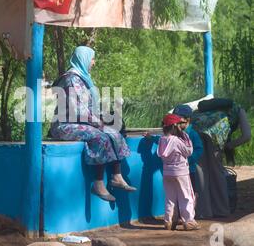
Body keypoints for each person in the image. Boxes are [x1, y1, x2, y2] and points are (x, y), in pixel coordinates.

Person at [49, 46, 136, 202]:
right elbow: (77, 110)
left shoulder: (83, 78)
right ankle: (98, 183)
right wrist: (98, 123)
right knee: (100, 137)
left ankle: (117, 176)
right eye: (92, 58)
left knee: (114, 133)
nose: (93, 62)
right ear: (83, 58)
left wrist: (101, 120)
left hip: (81, 122)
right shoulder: (71, 79)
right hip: (64, 125)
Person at [157, 113, 200, 231]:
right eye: (178, 125)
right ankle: (189, 222)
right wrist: (185, 137)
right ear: (174, 126)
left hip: (167, 173)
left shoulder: (161, 140)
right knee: (186, 196)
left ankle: (169, 221)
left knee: (170, 197)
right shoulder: (176, 140)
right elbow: (188, 152)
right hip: (181, 173)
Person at [172, 104, 204, 193]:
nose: (175, 124)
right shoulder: (175, 132)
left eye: (179, 121)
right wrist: (152, 138)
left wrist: (188, 160)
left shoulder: (192, 134)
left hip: (189, 171)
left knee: (190, 195)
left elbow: (199, 149)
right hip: (176, 172)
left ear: (187, 120)